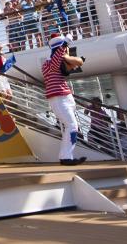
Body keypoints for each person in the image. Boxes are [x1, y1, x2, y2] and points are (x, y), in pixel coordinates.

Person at [41, 35, 85, 166]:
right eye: (64, 49)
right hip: (59, 98)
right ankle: (66, 157)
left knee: (71, 127)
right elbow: (58, 57)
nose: (66, 50)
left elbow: (73, 63)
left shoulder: (53, 63)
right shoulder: (51, 62)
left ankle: (66, 156)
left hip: (64, 97)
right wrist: (66, 42)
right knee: (72, 126)